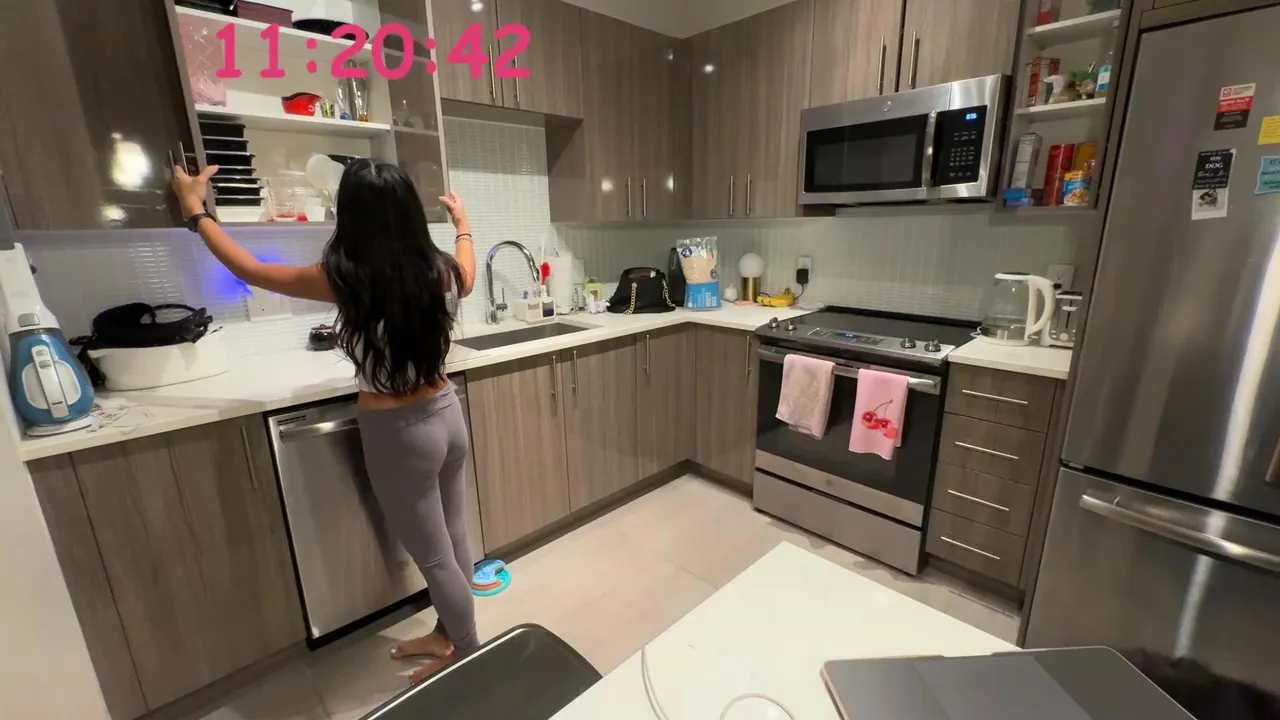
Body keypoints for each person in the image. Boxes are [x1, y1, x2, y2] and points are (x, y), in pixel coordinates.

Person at [172, 161, 479, 684]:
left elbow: (250, 269)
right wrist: (462, 222)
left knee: (434, 557)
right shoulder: (442, 270)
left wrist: (195, 210)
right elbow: (468, 266)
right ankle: (447, 633)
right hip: (448, 414)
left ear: (350, 216)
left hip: (400, 434)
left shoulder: (345, 280)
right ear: (410, 212)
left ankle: (469, 655)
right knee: (454, 537)